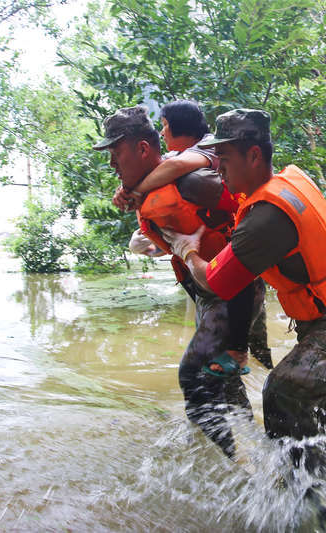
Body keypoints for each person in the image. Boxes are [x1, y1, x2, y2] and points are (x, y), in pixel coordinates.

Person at [163, 109, 326, 472]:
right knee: (309, 418)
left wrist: (186, 249)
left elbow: (215, 280)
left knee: (281, 393)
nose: (218, 170)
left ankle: (300, 497)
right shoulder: (286, 183)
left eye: (225, 160)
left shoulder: (266, 217)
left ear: (253, 156)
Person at [92, 105, 264, 459]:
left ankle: (223, 468)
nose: (111, 163)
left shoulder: (194, 180)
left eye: (116, 153)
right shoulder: (156, 182)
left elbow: (245, 209)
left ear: (142, 149)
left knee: (194, 375)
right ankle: (255, 451)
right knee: (224, 381)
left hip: (231, 290)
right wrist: (129, 190)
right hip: (206, 290)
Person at [113, 100, 273, 370]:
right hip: (215, 270)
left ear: (180, 128)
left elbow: (175, 168)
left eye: (164, 127)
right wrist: (127, 191)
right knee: (251, 355)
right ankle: (252, 368)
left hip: (231, 270)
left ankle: (243, 362)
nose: (162, 134)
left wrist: (135, 190)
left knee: (207, 370)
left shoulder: (208, 150)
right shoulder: (184, 159)